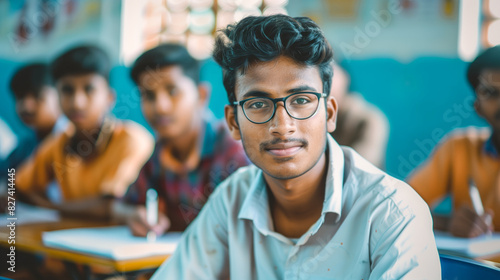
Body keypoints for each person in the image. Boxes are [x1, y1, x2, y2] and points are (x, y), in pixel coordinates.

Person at [151, 14, 440, 279]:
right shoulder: (231, 201)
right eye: (258, 104)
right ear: (233, 122)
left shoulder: (393, 213)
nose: (282, 125)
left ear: (329, 114)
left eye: (301, 100)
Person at [112, 44, 249, 235]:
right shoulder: (160, 153)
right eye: (149, 95)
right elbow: (119, 206)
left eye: (172, 91)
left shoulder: (232, 152)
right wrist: (133, 215)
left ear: (201, 95)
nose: (161, 107)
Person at [15, 45, 154, 219]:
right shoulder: (59, 141)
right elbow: (18, 186)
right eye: (67, 90)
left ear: (110, 97)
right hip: (65, 239)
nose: (77, 102)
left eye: (89, 89)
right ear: (57, 96)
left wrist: (49, 206)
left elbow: (107, 205)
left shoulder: (131, 139)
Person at [407, 45, 500, 238]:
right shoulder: (459, 147)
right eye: (491, 93)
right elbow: (401, 208)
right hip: (476, 268)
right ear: (478, 107)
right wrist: (447, 223)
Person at [5, 63, 69, 202]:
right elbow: (8, 178)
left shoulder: (74, 139)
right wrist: (8, 194)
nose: (26, 105)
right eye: (20, 97)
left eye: (37, 96)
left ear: (61, 95)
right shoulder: (25, 145)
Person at [329, 61, 389, 168]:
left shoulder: (369, 119)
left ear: (345, 76)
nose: (324, 81)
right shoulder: (312, 116)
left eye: (330, 71)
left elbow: (359, 169)